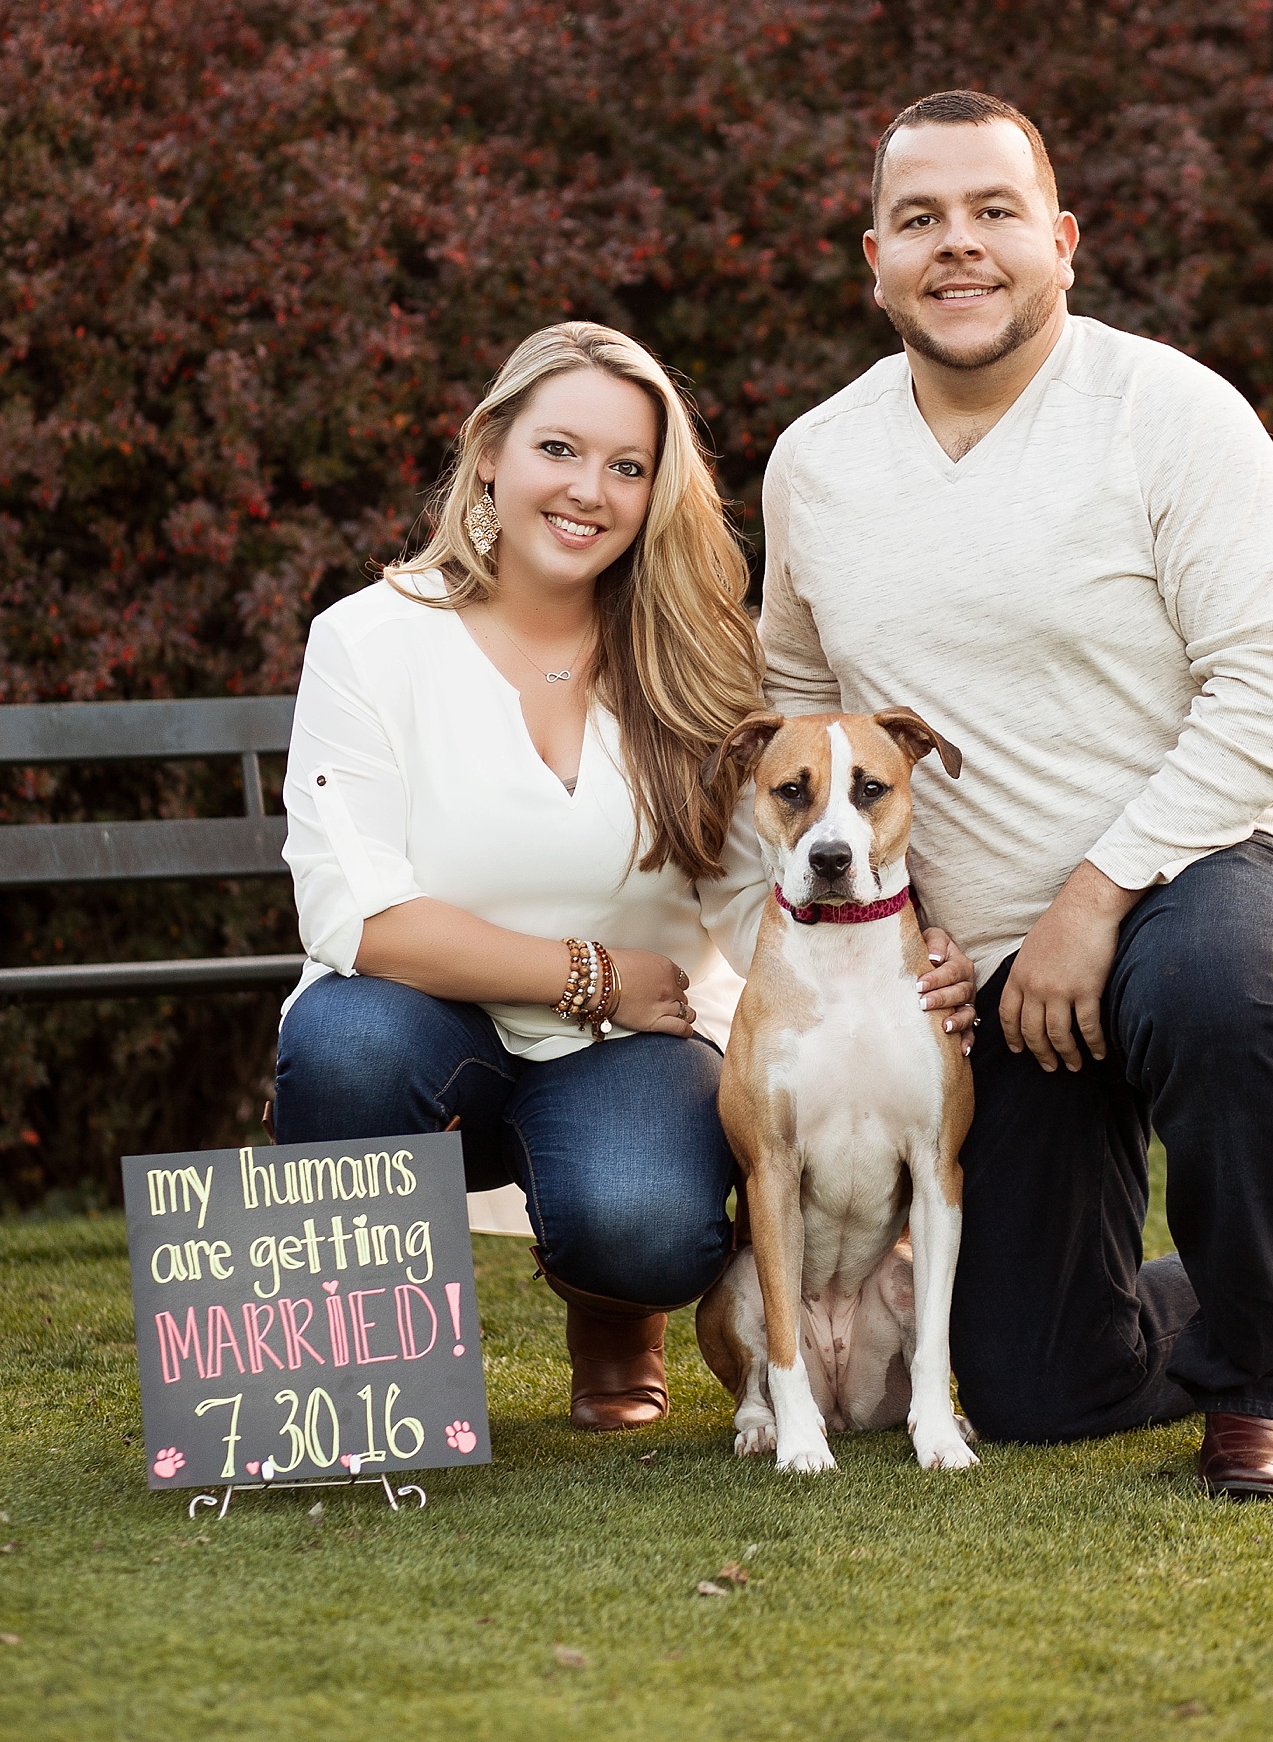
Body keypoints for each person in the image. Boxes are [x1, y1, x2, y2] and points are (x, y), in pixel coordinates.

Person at [758, 90, 1273, 1498]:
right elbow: (806, 728)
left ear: (1063, 238)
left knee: (1217, 991)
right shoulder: (816, 463)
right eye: (920, 218)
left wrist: (1099, 894)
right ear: (874, 256)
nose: (958, 244)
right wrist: (886, 928)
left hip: (1199, 868)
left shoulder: (1173, 413)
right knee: (1043, 1383)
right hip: (981, 964)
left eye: (993, 210)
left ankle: (1260, 1387)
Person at [274, 321, 975, 1431]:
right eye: (558, 448)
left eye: (627, 465)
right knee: (345, 1047)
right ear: (489, 448)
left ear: (656, 490)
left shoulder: (697, 657)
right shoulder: (369, 639)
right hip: (419, 1021)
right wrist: (589, 972)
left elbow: (766, 883)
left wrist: (899, 969)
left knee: (648, 1218)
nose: (587, 489)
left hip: (621, 1052)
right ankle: (362, 1372)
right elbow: (350, 913)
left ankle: (611, 1311)